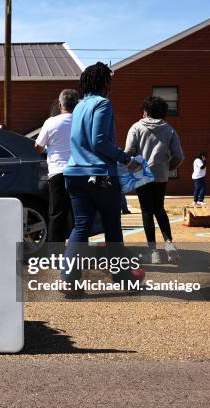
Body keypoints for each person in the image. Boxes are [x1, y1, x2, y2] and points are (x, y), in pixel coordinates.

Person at [62, 62, 144, 296]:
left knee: (81, 226)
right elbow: (99, 142)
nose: (111, 86)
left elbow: (84, 140)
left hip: (74, 173)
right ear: (104, 82)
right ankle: (123, 278)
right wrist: (126, 158)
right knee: (112, 227)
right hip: (100, 175)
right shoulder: (103, 104)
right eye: (110, 81)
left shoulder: (78, 107)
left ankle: (69, 279)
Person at [125, 96, 184, 263]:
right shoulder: (169, 129)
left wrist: (131, 168)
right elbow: (179, 156)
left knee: (146, 211)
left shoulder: (136, 128)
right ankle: (170, 244)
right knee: (159, 208)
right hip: (161, 174)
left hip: (141, 174)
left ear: (146, 111)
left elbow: (128, 152)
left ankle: (153, 252)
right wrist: (168, 167)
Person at [35, 89, 80, 242]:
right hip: (78, 172)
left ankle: (55, 253)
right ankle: (78, 254)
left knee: (57, 214)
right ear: (77, 104)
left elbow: (38, 146)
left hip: (57, 172)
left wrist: (49, 147)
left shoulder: (51, 122)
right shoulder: (81, 121)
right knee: (77, 215)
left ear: (60, 104)